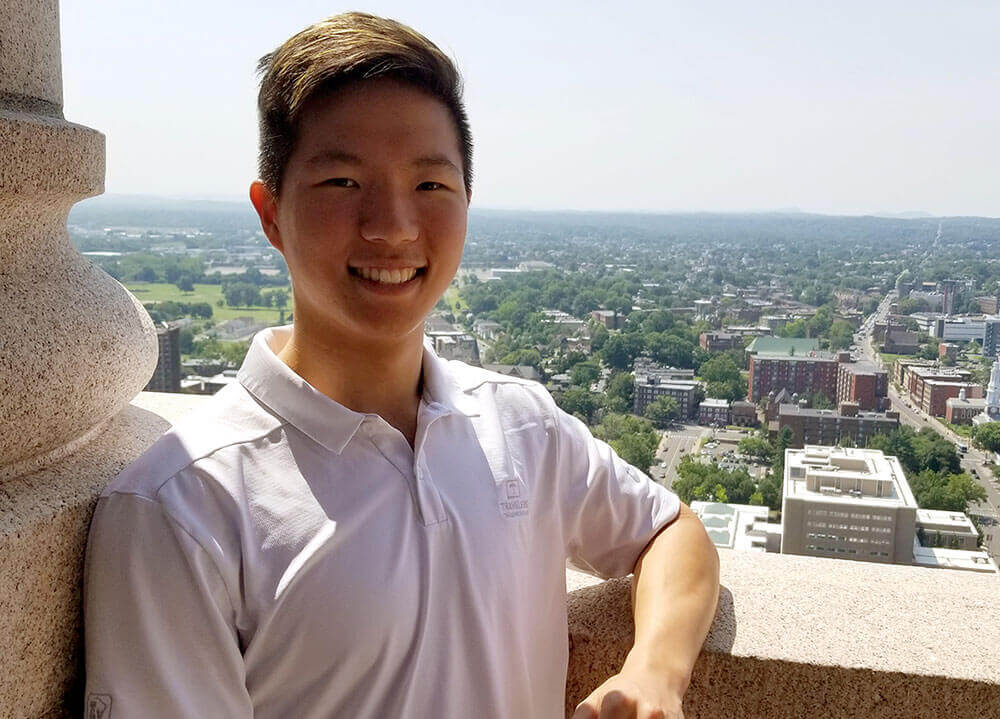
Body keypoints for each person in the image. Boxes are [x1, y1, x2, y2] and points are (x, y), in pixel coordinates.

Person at [84, 12, 719, 719]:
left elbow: (670, 531)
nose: (392, 225)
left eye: (430, 186)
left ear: (467, 202)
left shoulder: (519, 426)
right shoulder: (183, 505)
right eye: (343, 182)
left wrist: (655, 671)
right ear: (270, 213)